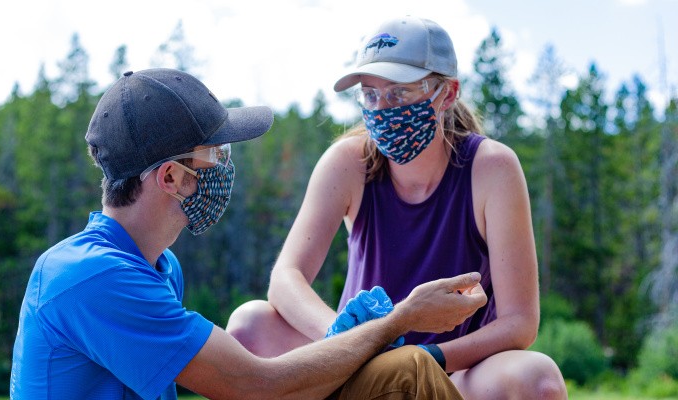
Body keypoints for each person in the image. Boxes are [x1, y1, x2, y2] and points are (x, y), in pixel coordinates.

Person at [9, 67, 488, 400]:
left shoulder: (157, 266)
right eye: (214, 155)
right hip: (259, 385)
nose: (223, 167)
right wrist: (397, 320)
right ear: (172, 178)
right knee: (407, 373)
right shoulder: (91, 278)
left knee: (406, 372)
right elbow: (256, 386)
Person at [226, 16, 568, 399]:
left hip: (452, 371)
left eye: (400, 92)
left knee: (539, 380)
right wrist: (347, 338)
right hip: (352, 364)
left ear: (448, 93)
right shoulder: (348, 162)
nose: (382, 108)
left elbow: (519, 322)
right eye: (370, 94)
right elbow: (286, 278)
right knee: (249, 324)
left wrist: (419, 358)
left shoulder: (491, 168)